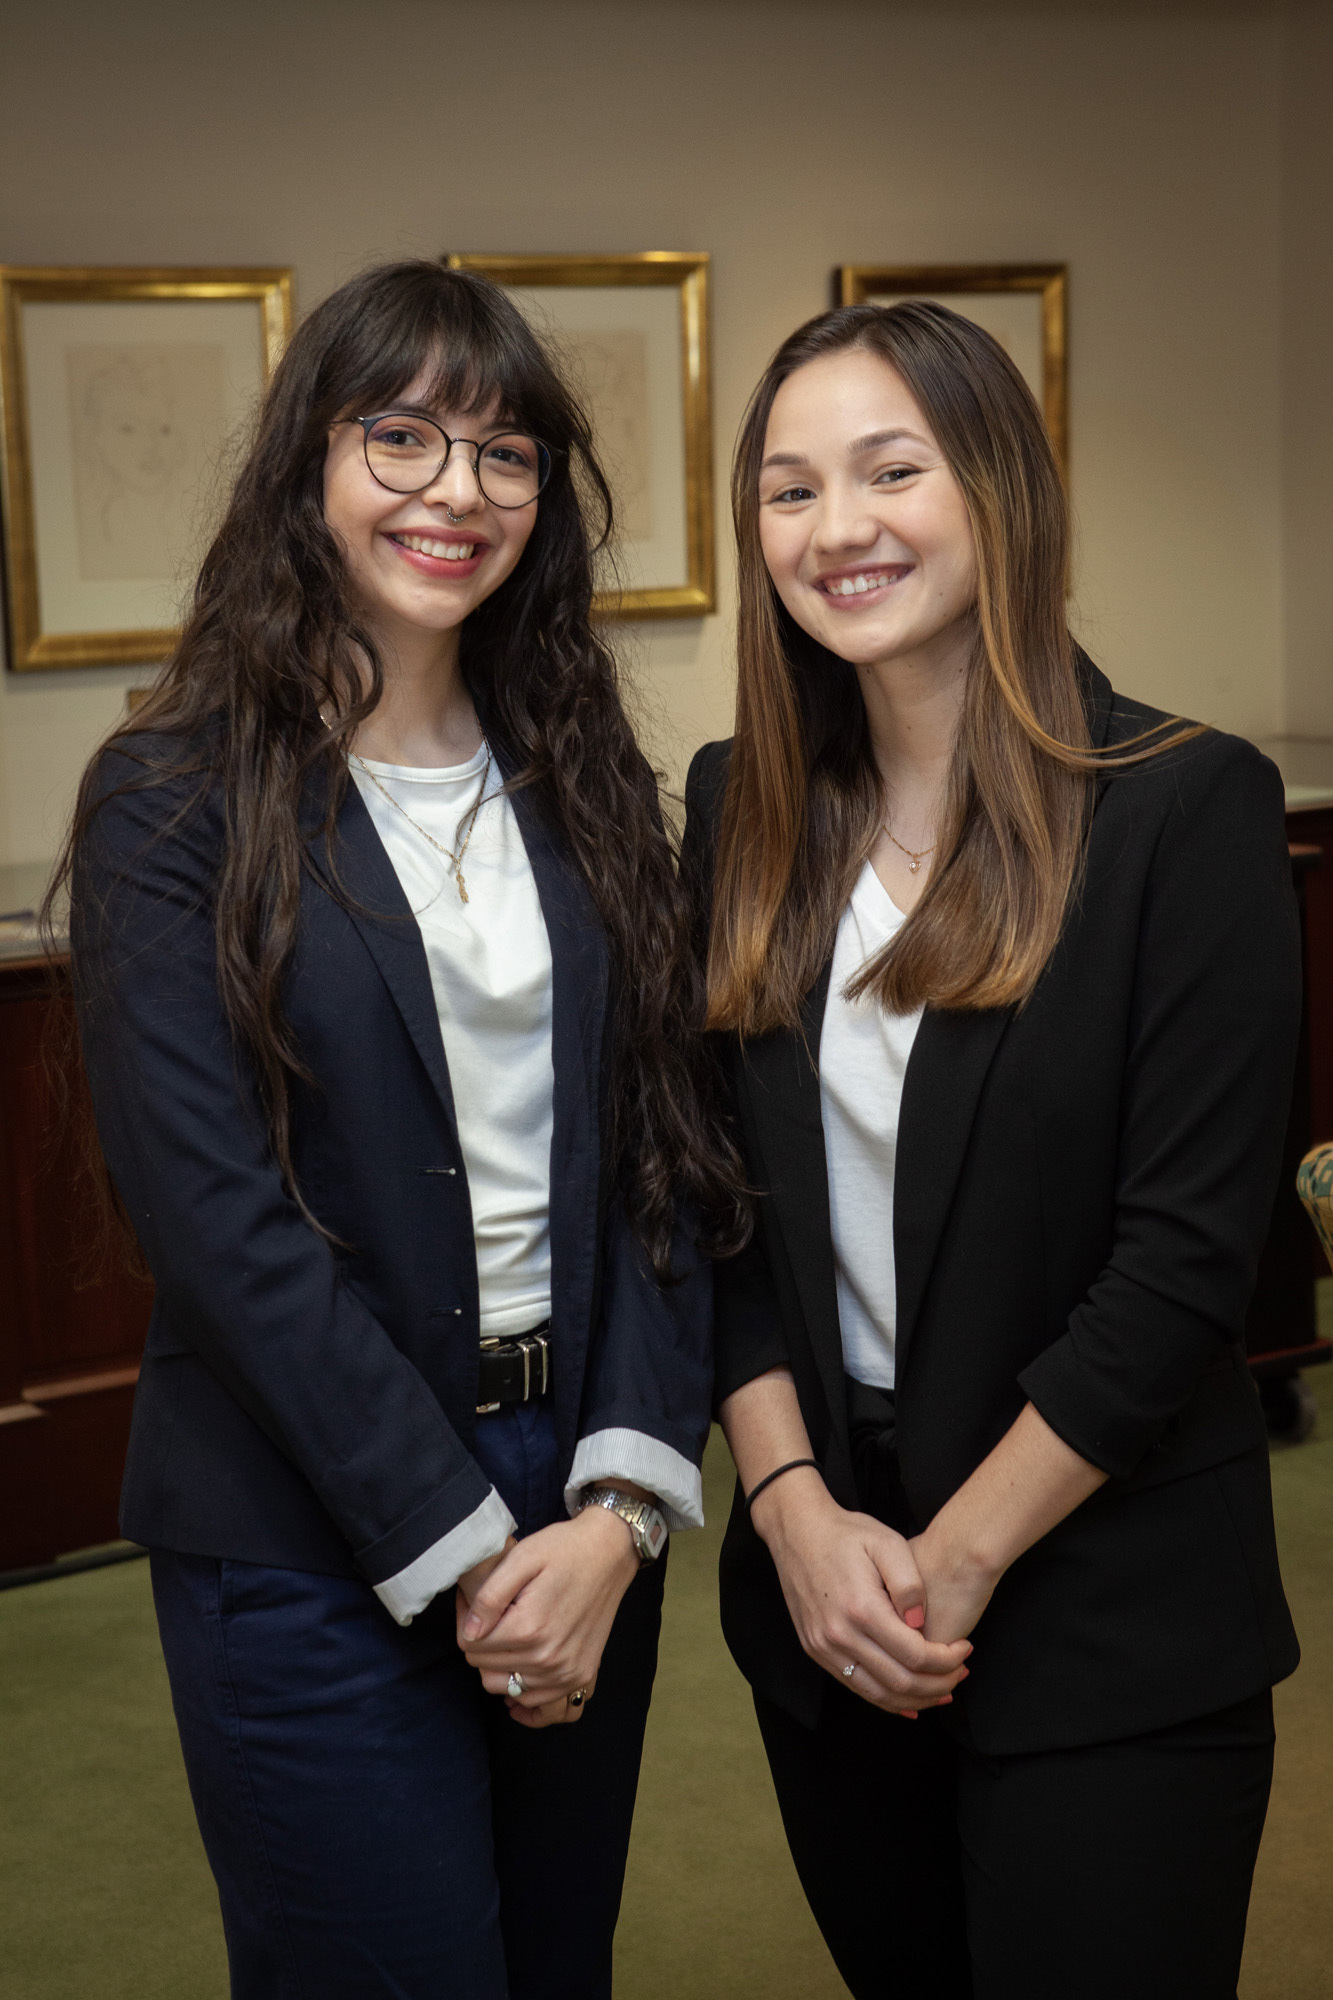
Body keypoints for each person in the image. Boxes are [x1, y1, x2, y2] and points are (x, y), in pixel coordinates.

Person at [58, 260, 739, 2000]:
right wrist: (463, 1542)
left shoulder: (584, 775)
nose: (458, 490)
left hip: (573, 1501)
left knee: (556, 1965)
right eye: (402, 437)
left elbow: (667, 1157)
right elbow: (216, 1223)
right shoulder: (172, 798)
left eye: (506, 453)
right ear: (308, 462)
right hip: (306, 1515)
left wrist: (616, 1511)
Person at [683, 300, 1300, 2000]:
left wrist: (946, 1568)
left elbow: (1180, 1269)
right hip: (831, 1608)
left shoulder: (1181, 807)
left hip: (1102, 1607)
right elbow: (715, 1211)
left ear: (1001, 488)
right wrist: (795, 1520)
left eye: (892, 471)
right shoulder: (736, 809)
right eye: (790, 490)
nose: (839, 527)